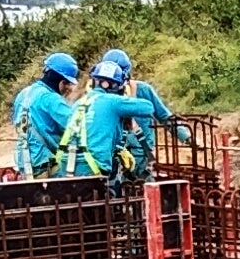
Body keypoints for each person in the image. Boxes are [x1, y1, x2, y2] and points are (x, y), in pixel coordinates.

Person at [68, 48, 174, 177]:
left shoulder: (81, 103)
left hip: (135, 151)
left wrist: (186, 138)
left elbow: (163, 115)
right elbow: (147, 108)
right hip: (105, 159)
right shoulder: (111, 101)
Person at [10, 50, 82, 175]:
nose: (68, 87)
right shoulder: (51, 99)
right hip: (43, 164)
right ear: (60, 81)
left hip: (24, 163)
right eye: (67, 83)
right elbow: (76, 127)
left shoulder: (24, 94)